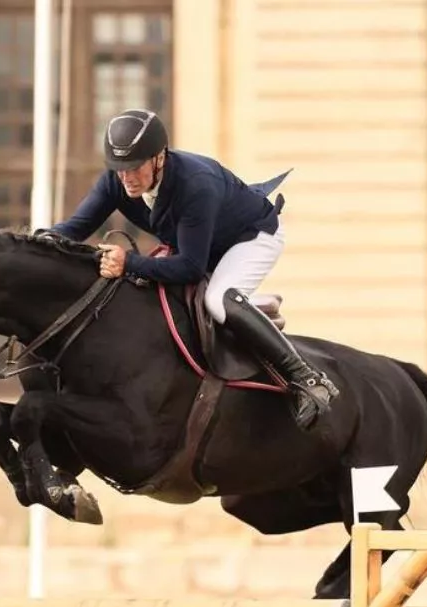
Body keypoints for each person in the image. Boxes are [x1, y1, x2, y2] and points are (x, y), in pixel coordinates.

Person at [41, 108, 339, 430]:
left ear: (158, 158)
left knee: (218, 299)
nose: (126, 178)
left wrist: (129, 263)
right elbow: (75, 227)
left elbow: (191, 267)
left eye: (134, 168)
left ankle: (307, 379)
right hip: (201, 245)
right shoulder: (118, 180)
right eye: (119, 169)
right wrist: (35, 242)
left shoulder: (195, 184)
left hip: (251, 236)